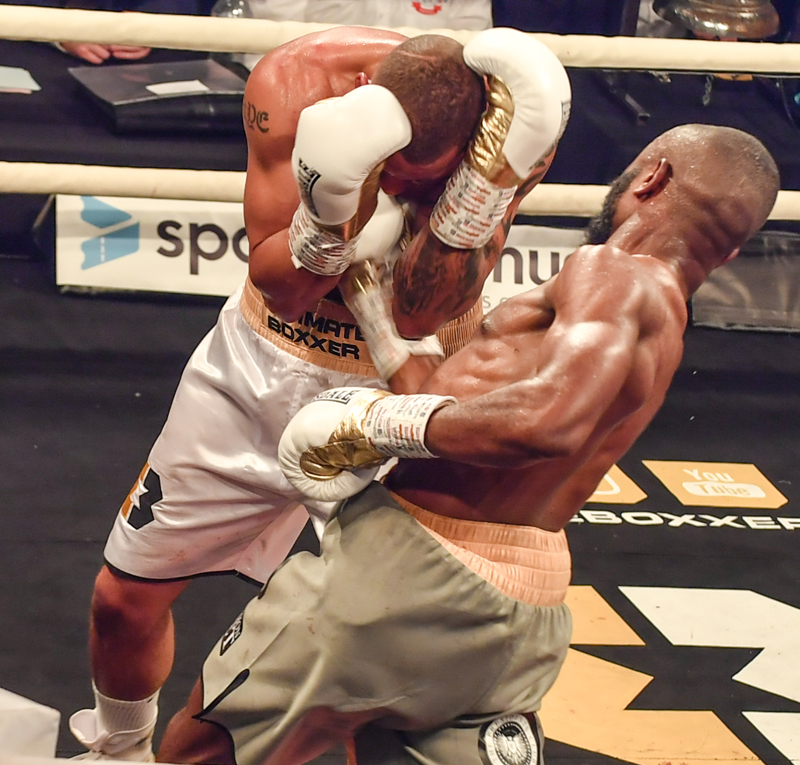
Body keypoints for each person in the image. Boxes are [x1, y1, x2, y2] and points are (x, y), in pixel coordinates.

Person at [156, 123, 779, 765]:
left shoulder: (615, 273)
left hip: (406, 577)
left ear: (653, 178)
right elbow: (478, 410)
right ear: (729, 252)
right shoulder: (665, 317)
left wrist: (376, 424)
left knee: (203, 748)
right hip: (524, 608)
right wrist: (374, 303)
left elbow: (545, 422)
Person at [68, 24, 570, 761]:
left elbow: (420, 312)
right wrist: (329, 210)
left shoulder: (510, 116)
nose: (396, 187)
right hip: (263, 364)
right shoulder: (294, 85)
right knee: (122, 600)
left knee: (383, 648)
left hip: (410, 394)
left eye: (420, 181)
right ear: (366, 102)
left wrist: (471, 196)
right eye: (390, 170)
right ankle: (118, 748)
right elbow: (289, 288)